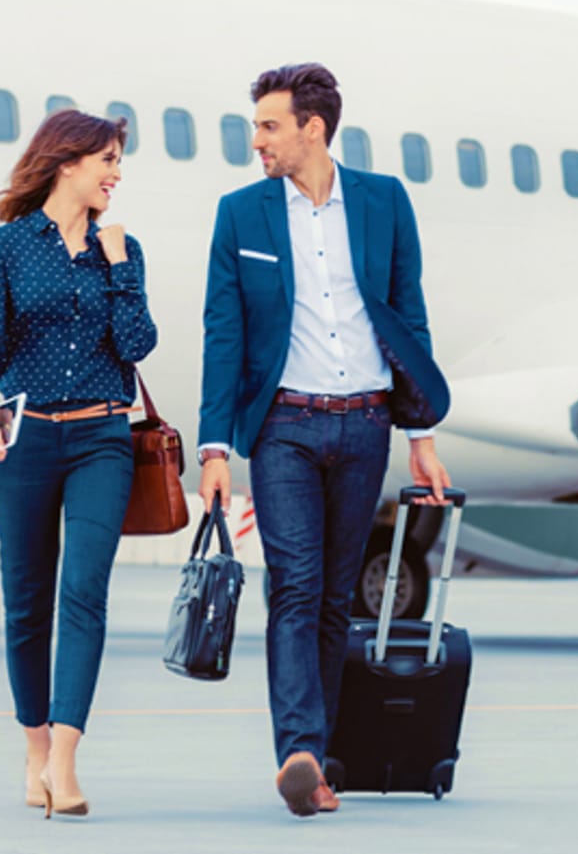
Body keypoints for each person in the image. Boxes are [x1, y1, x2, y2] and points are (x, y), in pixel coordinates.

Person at [196, 63, 453, 818]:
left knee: (336, 598)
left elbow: (408, 314)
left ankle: (320, 761)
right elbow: (223, 333)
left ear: (314, 129)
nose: (257, 141)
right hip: (284, 426)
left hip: (366, 423)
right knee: (296, 586)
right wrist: (214, 448)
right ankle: (300, 753)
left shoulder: (384, 201)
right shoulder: (240, 215)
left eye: (269, 126)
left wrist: (421, 435)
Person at [0, 109, 157, 819]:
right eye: (107, 160)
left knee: (84, 593)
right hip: (26, 440)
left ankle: (67, 759)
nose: (116, 174)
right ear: (67, 161)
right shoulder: (8, 245)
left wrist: (119, 266)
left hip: (103, 437)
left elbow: (137, 344)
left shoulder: (122, 248)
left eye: (118, 162)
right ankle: (35, 746)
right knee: (26, 602)